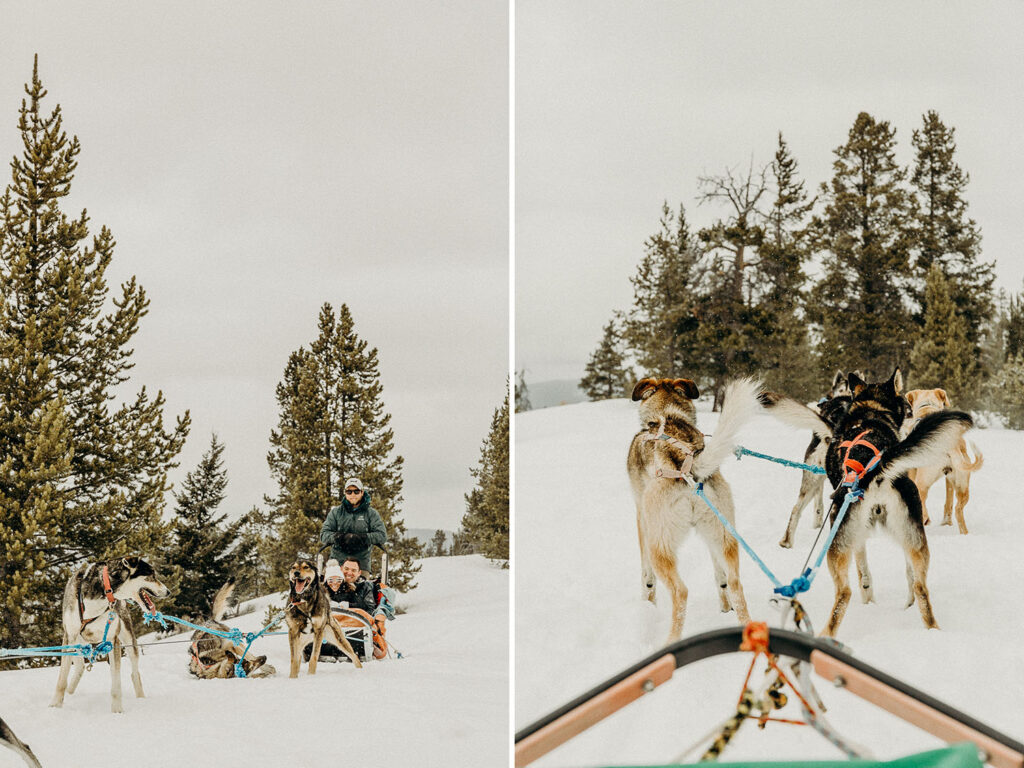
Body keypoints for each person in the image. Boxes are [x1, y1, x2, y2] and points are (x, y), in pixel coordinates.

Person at [319, 477, 387, 577]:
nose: (353, 495)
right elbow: (324, 534)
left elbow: (381, 536)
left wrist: (363, 538)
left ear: (362, 492)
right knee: (327, 586)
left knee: (361, 588)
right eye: (349, 492)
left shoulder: (370, 513)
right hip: (337, 561)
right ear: (345, 493)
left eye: (356, 491)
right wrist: (339, 537)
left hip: (360, 563)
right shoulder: (336, 512)